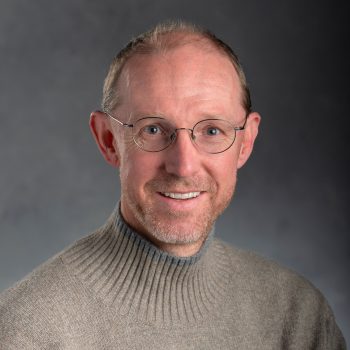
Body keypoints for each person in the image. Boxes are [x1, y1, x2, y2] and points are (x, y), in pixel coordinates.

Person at [0, 21, 346, 349]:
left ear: (246, 141)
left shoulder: (298, 318)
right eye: (152, 129)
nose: (183, 166)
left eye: (212, 131)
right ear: (109, 140)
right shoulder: (28, 330)